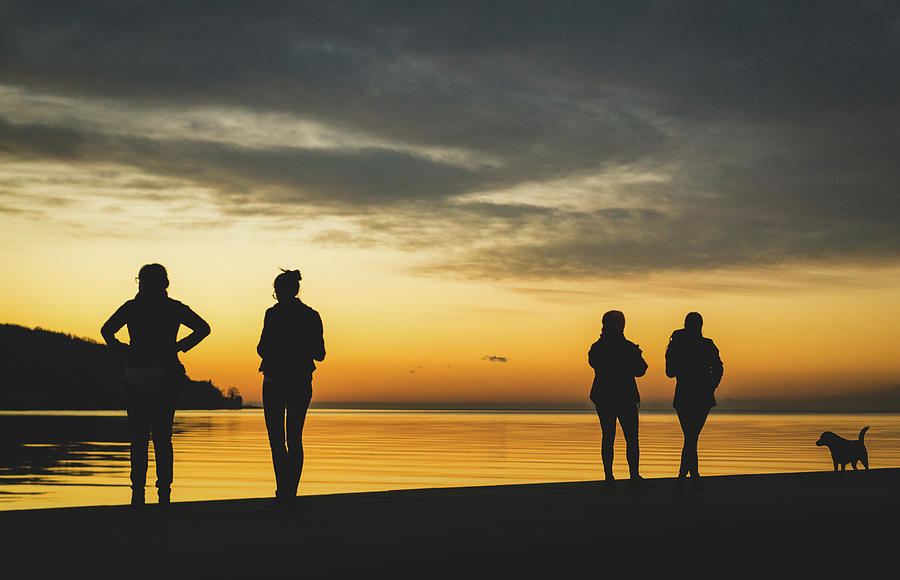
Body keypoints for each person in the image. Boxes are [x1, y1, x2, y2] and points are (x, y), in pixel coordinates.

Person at [101, 263, 210, 508]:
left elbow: (106, 330)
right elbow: (204, 328)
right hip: (165, 375)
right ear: (165, 283)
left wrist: (124, 351)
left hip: (136, 374)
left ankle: (138, 492)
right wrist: (179, 346)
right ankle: (164, 494)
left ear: (140, 282)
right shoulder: (173, 308)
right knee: (162, 437)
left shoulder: (132, 307)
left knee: (138, 438)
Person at [257, 268, 325, 507]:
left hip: (274, 381)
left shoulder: (272, 314)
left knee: (277, 439)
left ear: (277, 291)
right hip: (301, 381)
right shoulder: (312, 315)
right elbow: (320, 354)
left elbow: (262, 349)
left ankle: (283, 491)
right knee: (294, 438)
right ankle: (290, 492)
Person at [588, 310, 649, 488]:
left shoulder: (597, 347)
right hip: (624, 397)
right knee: (631, 438)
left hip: (604, 397)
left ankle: (609, 477)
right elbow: (641, 370)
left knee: (608, 437)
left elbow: (594, 363)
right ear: (622, 325)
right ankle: (633, 476)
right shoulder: (628, 348)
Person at [665, 312, 723, 492]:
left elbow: (670, 372)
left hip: (687, 395)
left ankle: (685, 477)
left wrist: (711, 385)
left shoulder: (678, 344)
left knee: (691, 436)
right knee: (692, 437)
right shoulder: (706, 345)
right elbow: (719, 368)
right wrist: (711, 385)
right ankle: (690, 477)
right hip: (701, 395)